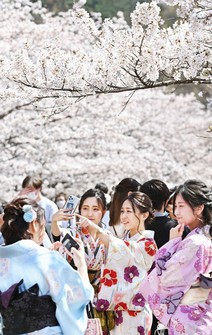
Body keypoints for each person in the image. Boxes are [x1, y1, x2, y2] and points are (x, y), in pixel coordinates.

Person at [0, 197, 93, 335]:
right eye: (43, 225)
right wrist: (81, 265)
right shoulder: (47, 259)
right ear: (34, 225)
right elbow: (75, 299)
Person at [78, 191, 157, 335]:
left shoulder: (147, 244)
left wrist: (95, 229)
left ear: (144, 215)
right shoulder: (125, 239)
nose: (124, 216)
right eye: (122, 211)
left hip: (135, 312)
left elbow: (121, 248)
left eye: (129, 211)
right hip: (118, 311)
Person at [139, 179, 212, 335]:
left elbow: (166, 277)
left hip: (190, 321)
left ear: (199, 208)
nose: (176, 212)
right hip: (202, 315)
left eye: (181, 206)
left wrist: (172, 243)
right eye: (174, 206)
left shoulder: (196, 243)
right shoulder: (205, 237)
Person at [51, 188, 112, 333]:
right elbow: (58, 235)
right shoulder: (73, 233)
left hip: (101, 296)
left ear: (103, 212)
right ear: (79, 210)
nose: (90, 214)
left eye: (95, 209)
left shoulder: (107, 236)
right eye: (85, 208)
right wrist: (54, 221)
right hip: (75, 295)